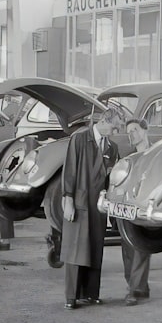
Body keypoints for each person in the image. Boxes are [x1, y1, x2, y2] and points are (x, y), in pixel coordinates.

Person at [60, 105, 126, 309]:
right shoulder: (79, 139)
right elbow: (70, 170)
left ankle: (91, 293)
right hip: (79, 200)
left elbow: (111, 177)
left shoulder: (111, 148)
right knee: (75, 249)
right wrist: (68, 199)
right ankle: (71, 296)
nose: (115, 133)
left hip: (97, 204)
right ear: (104, 122)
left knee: (95, 247)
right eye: (114, 128)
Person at [121, 118, 152, 306]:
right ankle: (140, 286)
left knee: (141, 247)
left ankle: (133, 289)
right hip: (127, 207)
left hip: (146, 206)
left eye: (134, 130)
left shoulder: (158, 153)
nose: (130, 134)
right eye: (128, 132)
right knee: (128, 249)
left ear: (145, 130)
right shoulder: (127, 157)